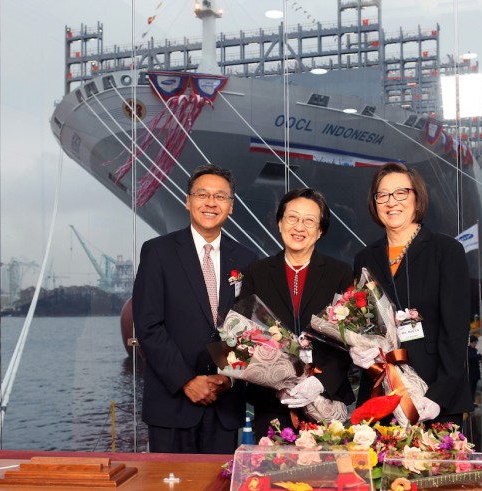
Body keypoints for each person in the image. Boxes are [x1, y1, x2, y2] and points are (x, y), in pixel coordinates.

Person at [133, 164, 257, 453]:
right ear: (188, 201)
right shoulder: (158, 252)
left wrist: (227, 377)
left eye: (220, 196)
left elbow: (249, 327)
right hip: (172, 402)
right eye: (202, 194)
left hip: (224, 402)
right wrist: (186, 381)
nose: (211, 203)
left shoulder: (247, 258)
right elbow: (148, 326)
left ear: (231, 206)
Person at [351, 162, 473, 427]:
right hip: (380, 392)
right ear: (375, 203)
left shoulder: (445, 251)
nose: (391, 202)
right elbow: (362, 322)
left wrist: (438, 396)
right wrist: (357, 351)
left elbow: (456, 333)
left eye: (401, 193)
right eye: (382, 195)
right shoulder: (365, 257)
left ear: (417, 198)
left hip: (434, 396)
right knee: (377, 468)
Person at [240, 188, 354, 438]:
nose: (299, 227)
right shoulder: (255, 274)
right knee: (271, 472)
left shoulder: (340, 274)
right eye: (292, 218)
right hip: (272, 402)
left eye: (309, 220)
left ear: (320, 230)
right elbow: (242, 336)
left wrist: (320, 383)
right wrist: (276, 379)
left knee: (325, 474)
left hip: (324, 400)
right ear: (280, 223)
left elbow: (350, 341)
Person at [468, 335, 482, 404]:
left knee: (474, 388)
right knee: (470, 387)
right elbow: (471, 358)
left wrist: (477, 357)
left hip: (476, 372)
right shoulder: (468, 350)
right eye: (475, 343)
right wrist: (476, 357)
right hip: (470, 372)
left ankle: (472, 400)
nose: (475, 344)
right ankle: (469, 401)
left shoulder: (475, 350)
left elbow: (479, 356)